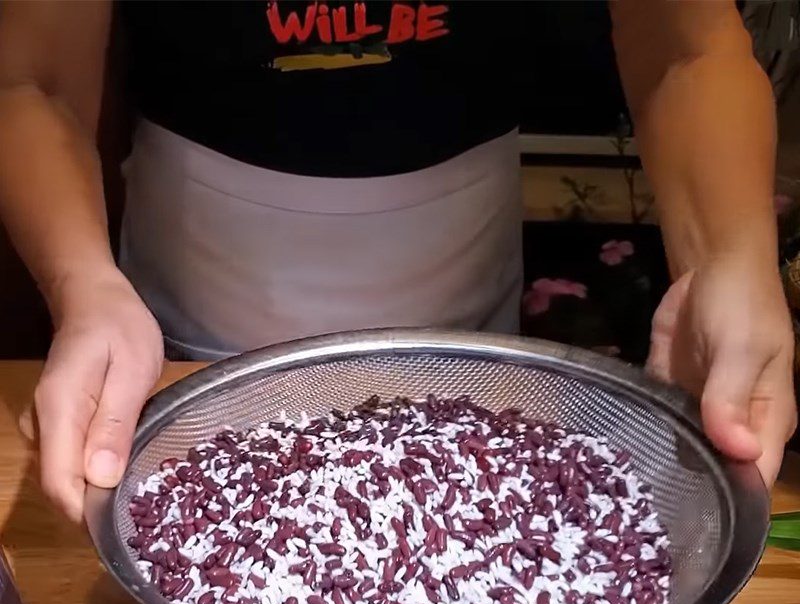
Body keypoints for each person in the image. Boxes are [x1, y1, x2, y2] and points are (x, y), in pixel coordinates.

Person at [0, 0, 794, 523]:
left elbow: (685, 50)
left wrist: (731, 258)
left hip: (464, 286)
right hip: (189, 295)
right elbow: (33, 75)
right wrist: (84, 288)